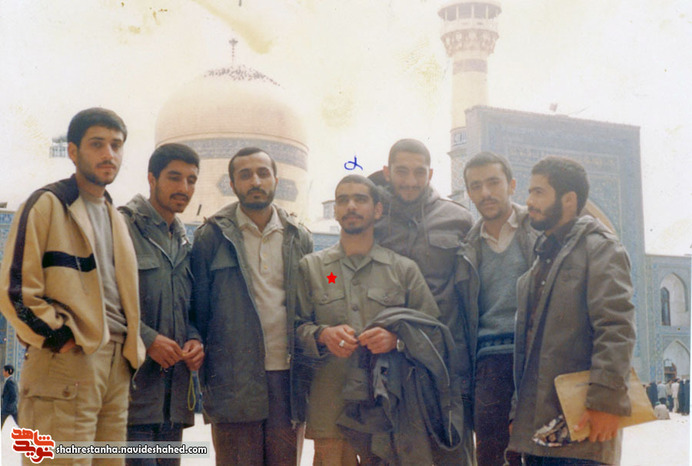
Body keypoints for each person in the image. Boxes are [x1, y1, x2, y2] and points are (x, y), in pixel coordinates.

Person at [0, 108, 145, 462]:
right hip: (66, 362)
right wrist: (58, 336)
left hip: (115, 367)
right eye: (97, 144)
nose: (108, 154)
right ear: (73, 151)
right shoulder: (48, 204)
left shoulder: (115, 217)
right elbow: (15, 290)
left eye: (116, 145)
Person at [296, 174, 444, 465]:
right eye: (343, 200)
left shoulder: (403, 270)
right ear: (335, 211)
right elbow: (293, 329)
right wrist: (322, 335)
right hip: (331, 412)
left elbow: (433, 334)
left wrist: (397, 340)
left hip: (389, 416)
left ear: (377, 210)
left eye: (360, 199)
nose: (351, 206)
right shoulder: (312, 268)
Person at [509, 156, 636, 465]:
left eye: (539, 192)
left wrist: (605, 402)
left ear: (568, 199)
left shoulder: (600, 248)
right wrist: (518, 414)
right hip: (540, 431)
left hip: (584, 425)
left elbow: (616, 327)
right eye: (529, 192)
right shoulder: (544, 257)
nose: (529, 201)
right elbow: (531, 347)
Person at [191, 147, 313, 465]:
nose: (255, 181)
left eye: (263, 173)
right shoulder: (211, 237)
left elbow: (318, 293)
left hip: (287, 381)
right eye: (245, 175)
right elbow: (198, 312)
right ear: (232, 184)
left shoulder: (299, 237)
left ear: (276, 180)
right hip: (234, 381)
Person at [371, 138, 474, 464]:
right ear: (387, 172)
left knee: (450, 452)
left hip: (444, 361)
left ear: (430, 174)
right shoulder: (373, 218)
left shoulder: (458, 219)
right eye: (401, 171)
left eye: (419, 172)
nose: (410, 181)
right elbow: (341, 271)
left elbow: (472, 293)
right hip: (390, 362)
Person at [119, 144, 204, 465]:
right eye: (174, 177)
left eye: (191, 180)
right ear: (152, 178)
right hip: (130, 398)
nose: (184, 188)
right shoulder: (122, 227)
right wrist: (147, 339)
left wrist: (194, 338)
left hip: (173, 403)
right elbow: (100, 301)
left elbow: (187, 308)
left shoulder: (182, 240)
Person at [456, 152, 537, 466]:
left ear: (512, 185)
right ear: (468, 192)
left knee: (541, 453)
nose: (485, 192)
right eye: (476, 186)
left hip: (535, 356)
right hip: (489, 365)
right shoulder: (467, 246)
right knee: (492, 456)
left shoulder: (539, 230)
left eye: (493, 182)